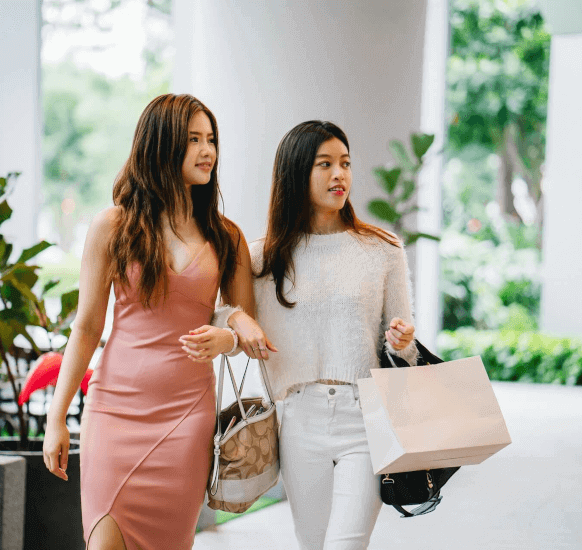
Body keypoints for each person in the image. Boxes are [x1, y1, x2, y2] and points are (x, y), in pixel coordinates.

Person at [42, 93, 273, 550]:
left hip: (186, 417)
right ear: (161, 144)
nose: (207, 151)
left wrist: (225, 338)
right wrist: (56, 417)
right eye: (193, 140)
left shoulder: (226, 236)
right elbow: (86, 329)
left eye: (211, 140)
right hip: (114, 411)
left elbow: (247, 327)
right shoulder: (113, 226)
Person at [187, 120, 417, 549]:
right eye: (325, 164)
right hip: (296, 420)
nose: (340, 175)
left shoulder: (383, 249)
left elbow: (402, 352)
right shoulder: (260, 256)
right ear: (295, 173)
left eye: (345, 164)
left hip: (363, 418)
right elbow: (226, 315)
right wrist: (233, 326)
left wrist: (402, 342)